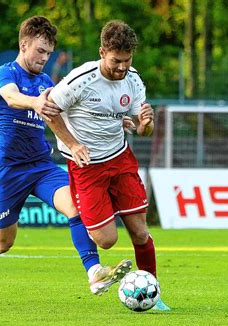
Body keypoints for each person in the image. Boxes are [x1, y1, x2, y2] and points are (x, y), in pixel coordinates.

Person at [0, 16, 131, 295]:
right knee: (2, 243)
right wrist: (35, 102)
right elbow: (10, 97)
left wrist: (115, 120)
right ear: (23, 45)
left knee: (75, 206)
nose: (44, 58)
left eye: (49, 53)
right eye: (40, 51)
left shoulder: (46, 81)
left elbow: (73, 114)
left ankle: (95, 273)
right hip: (7, 170)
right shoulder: (5, 74)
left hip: (42, 166)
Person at [47, 20, 170, 311]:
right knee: (106, 240)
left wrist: (145, 124)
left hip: (120, 159)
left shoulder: (134, 79)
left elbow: (143, 129)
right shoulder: (80, 79)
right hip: (86, 167)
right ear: (102, 52)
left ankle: (153, 295)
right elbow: (49, 112)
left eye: (127, 61)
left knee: (140, 232)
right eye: (116, 61)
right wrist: (73, 144)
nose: (122, 68)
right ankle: (97, 235)